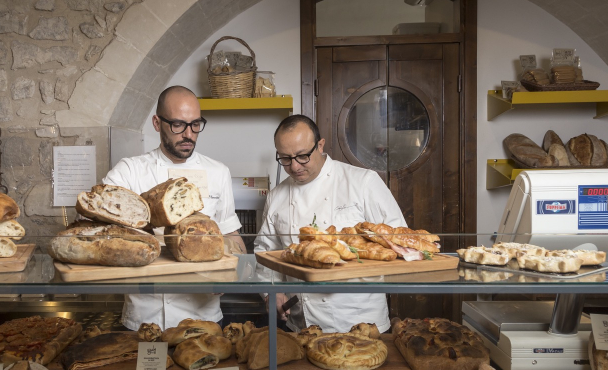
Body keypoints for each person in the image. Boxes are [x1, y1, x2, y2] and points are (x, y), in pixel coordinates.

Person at [103, 85, 245, 330]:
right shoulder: (129, 171)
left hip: (203, 316)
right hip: (144, 317)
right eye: (178, 125)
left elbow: (232, 237)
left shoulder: (218, 172)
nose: (188, 134)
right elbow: (102, 230)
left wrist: (230, 273)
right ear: (157, 123)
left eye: (196, 124)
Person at [255, 114, 406, 333]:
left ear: (320, 145)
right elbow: (266, 252)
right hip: (302, 326)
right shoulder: (276, 196)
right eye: (285, 158)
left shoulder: (363, 182)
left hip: (361, 321)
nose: (295, 166)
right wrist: (272, 292)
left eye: (302, 156)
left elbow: (398, 243)